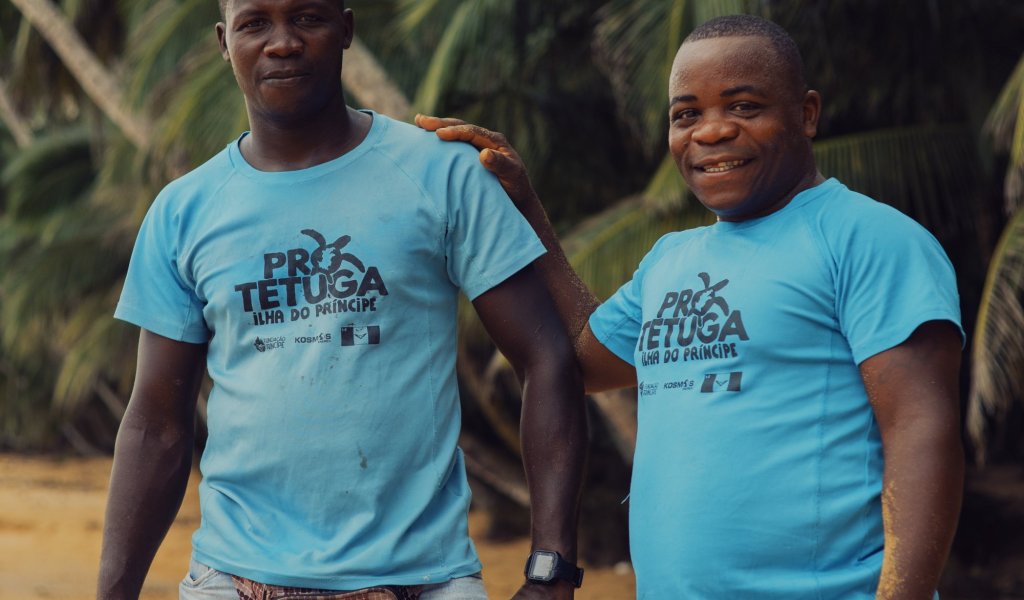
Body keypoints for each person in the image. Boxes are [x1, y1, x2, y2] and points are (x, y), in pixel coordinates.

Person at [418, 13, 965, 600]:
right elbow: (583, 358)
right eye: (687, 115)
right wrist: (526, 207)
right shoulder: (672, 259)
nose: (711, 132)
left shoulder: (869, 238)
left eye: (744, 107)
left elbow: (920, 430)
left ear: (806, 114)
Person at [97, 0, 587, 598]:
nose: (283, 43)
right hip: (233, 578)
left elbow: (547, 358)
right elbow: (156, 424)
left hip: (424, 580)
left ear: (347, 29)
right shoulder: (183, 210)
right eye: (256, 24)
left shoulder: (441, 173)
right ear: (225, 42)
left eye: (308, 17)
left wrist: (552, 567)